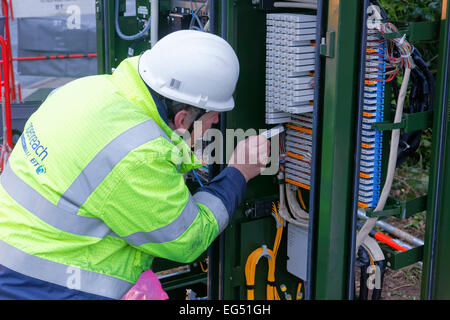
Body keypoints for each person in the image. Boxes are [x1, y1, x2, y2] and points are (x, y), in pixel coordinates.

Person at [0, 30, 269, 299]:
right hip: (41, 284)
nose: (216, 126)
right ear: (183, 119)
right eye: (213, 118)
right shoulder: (140, 156)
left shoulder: (86, 89)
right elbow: (187, 240)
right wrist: (238, 173)